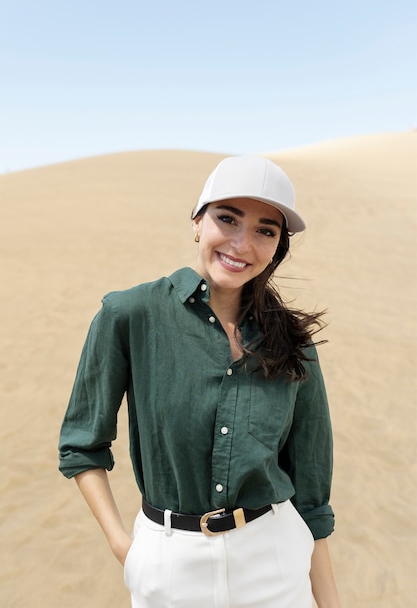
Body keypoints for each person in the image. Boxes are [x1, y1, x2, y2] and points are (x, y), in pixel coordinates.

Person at [58, 155, 342, 608]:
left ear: (277, 246)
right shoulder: (129, 316)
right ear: (196, 221)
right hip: (169, 565)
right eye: (227, 219)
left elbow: (310, 492)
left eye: (266, 231)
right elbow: (80, 445)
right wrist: (126, 550)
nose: (242, 244)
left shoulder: (292, 340)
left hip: (275, 560)